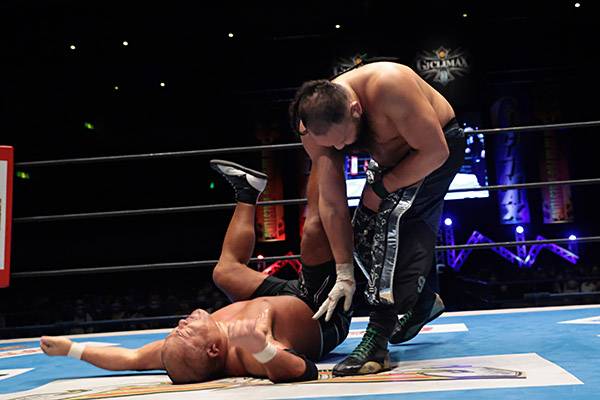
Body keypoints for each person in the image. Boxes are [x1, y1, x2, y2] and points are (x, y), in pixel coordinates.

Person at [40, 160, 350, 384]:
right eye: (185, 331)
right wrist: (263, 347)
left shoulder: (184, 349)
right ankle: (322, 153)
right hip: (322, 310)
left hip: (283, 298)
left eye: (176, 330)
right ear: (214, 350)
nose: (181, 323)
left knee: (225, 273)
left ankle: (247, 191)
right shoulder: (245, 354)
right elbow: (302, 370)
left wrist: (71, 349)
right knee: (312, 230)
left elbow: (129, 359)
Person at [289, 60, 465, 376]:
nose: (340, 148)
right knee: (361, 235)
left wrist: (383, 188)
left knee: (391, 224)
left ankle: (377, 341)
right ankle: (422, 301)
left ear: (355, 109)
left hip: (436, 150)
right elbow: (332, 204)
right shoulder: (312, 127)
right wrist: (344, 272)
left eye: (343, 140)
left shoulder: (389, 85)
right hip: (390, 163)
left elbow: (435, 151)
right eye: (332, 145)